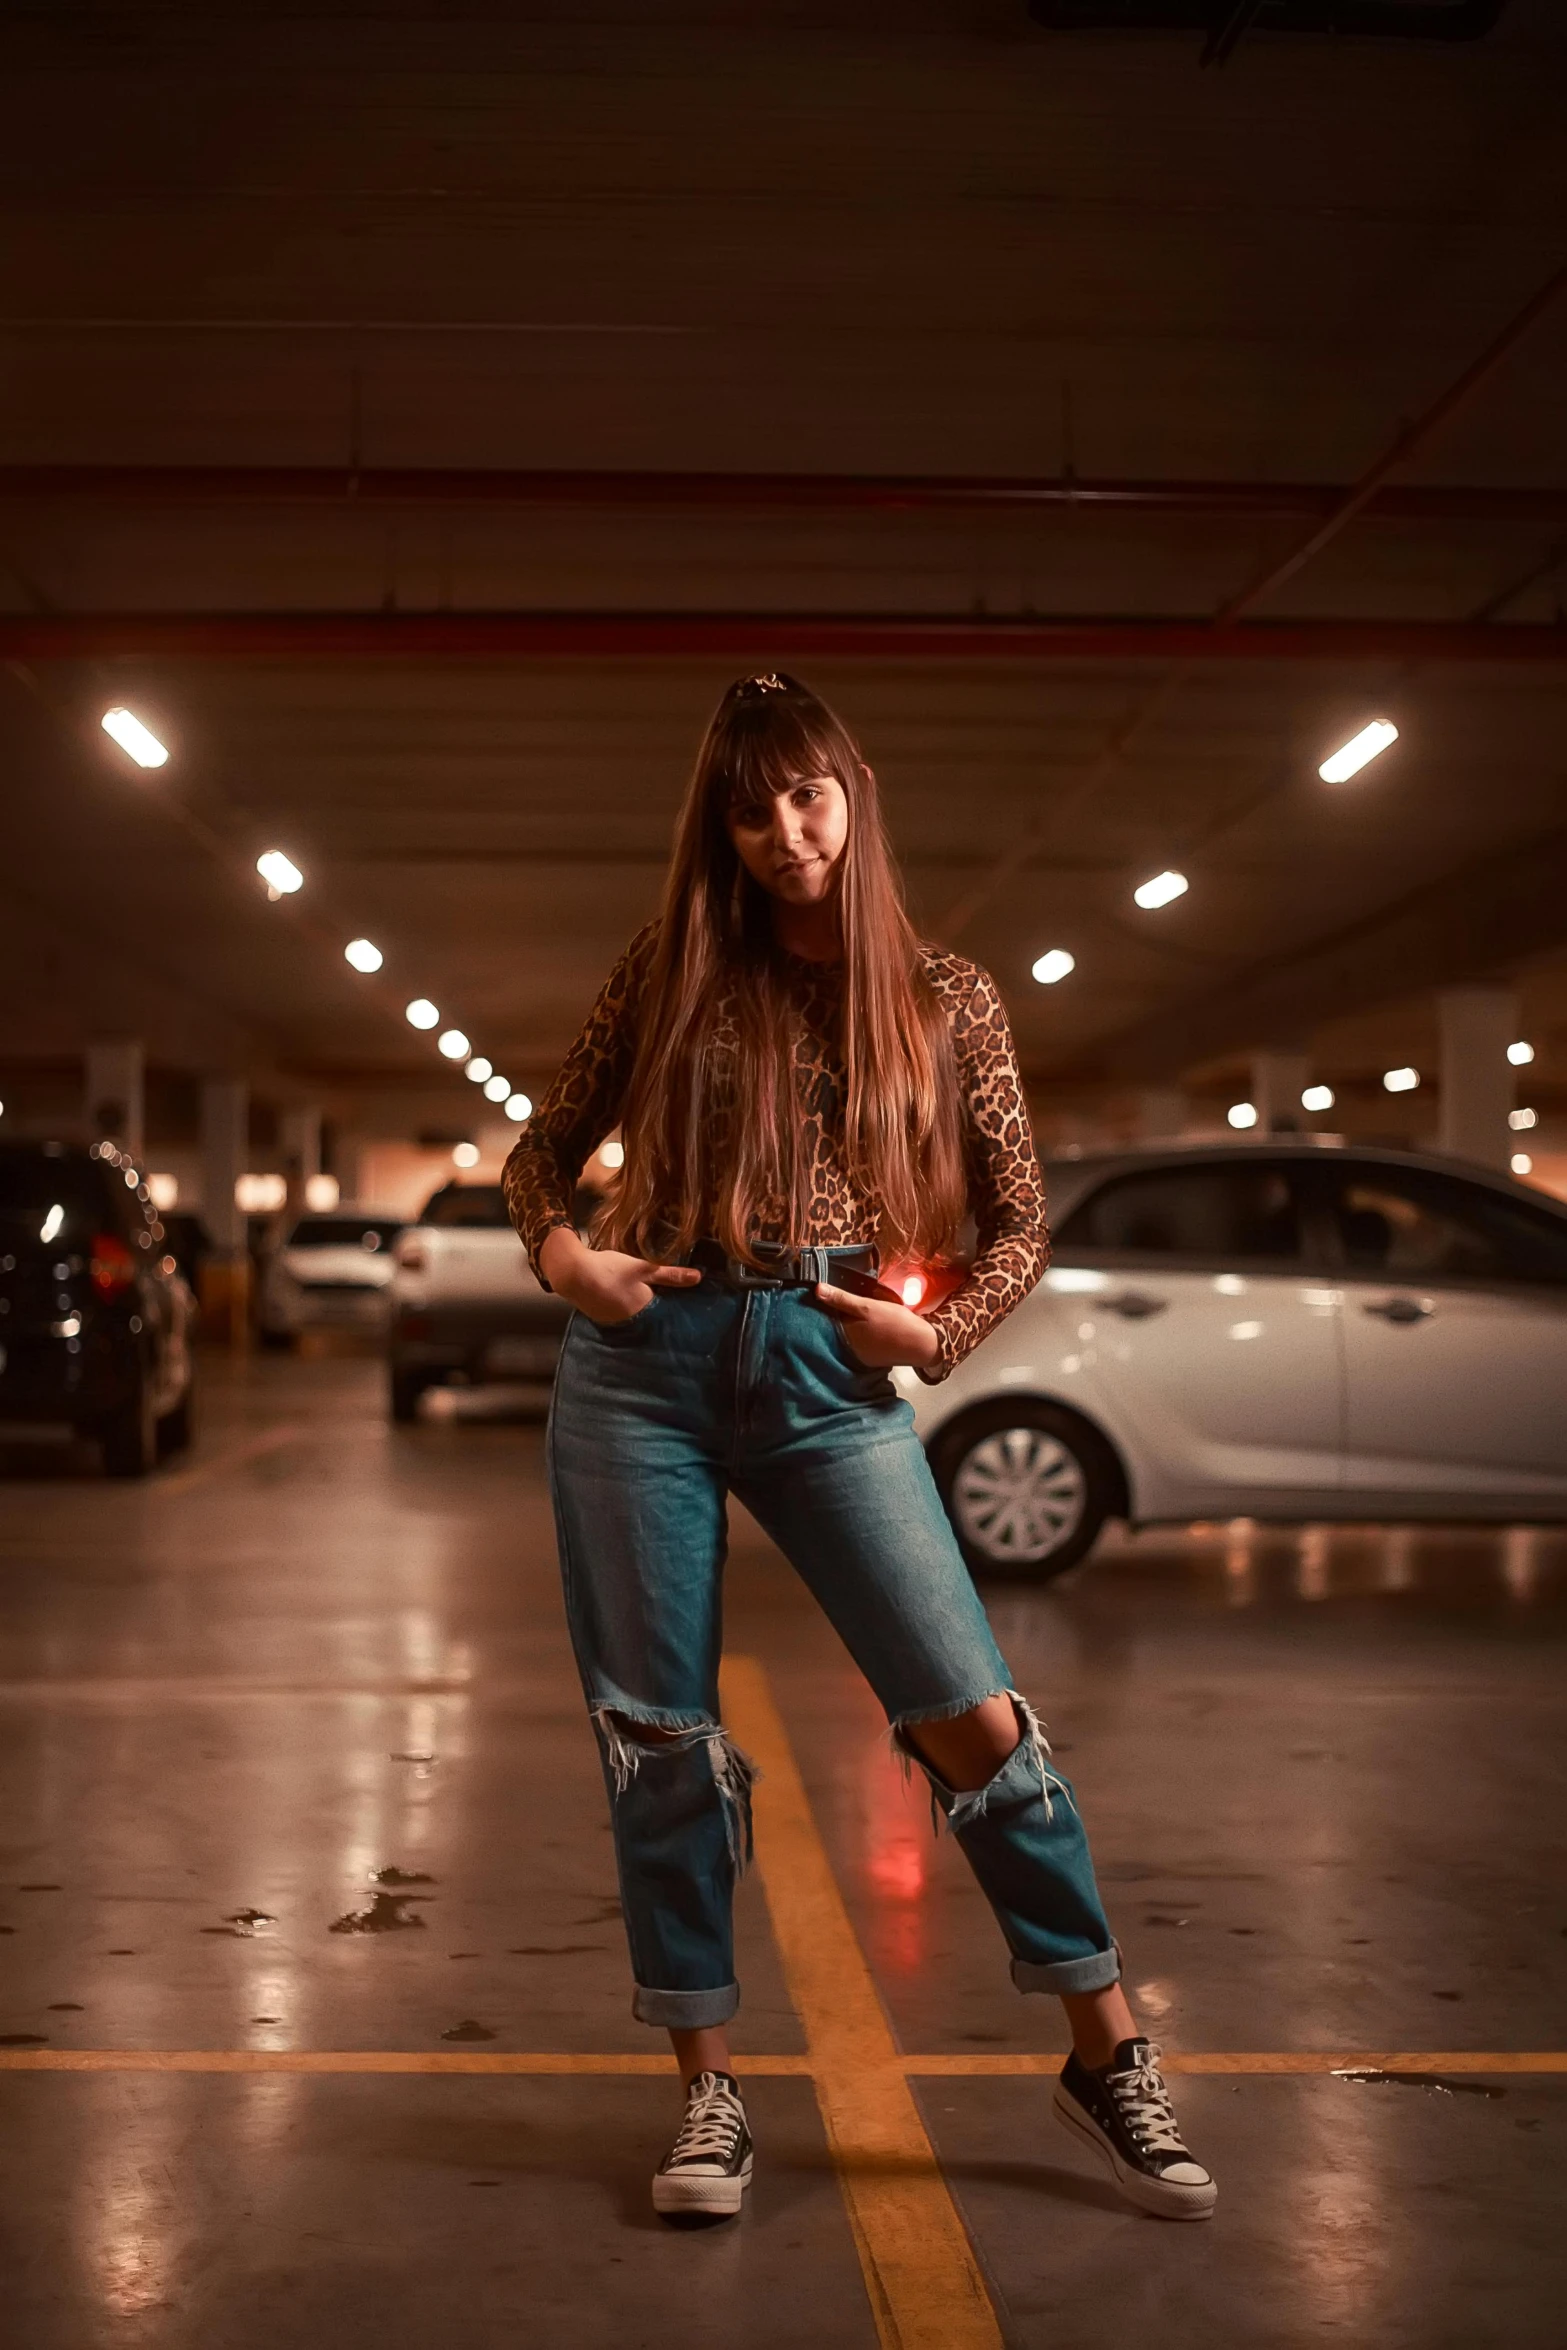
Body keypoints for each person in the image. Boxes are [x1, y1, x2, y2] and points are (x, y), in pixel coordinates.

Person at [503, 673, 1216, 2225]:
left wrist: (934, 1337)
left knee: (973, 1715)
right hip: (645, 1368)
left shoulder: (945, 993)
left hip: (828, 1370)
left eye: (807, 795)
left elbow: (1021, 1222)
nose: (783, 833)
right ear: (722, 826)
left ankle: (1105, 2047)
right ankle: (706, 2094)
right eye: (749, 810)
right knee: (659, 1737)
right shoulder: (672, 970)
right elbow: (539, 1154)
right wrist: (573, 1265)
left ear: (855, 792)